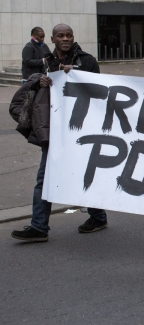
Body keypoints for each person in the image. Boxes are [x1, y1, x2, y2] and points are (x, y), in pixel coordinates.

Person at [11, 24, 109, 242]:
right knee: (44, 178)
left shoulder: (88, 60)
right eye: (60, 35)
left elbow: (101, 91)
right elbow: (32, 85)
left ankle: (98, 216)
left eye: (69, 35)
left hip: (83, 129)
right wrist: (40, 81)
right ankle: (39, 227)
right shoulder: (47, 61)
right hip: (55, 130)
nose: (65, 38)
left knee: (85, 173)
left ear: (74, 37)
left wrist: (77, 75)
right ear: (52, 39)